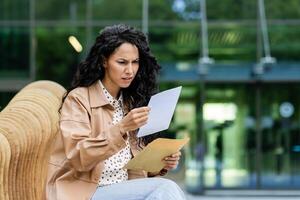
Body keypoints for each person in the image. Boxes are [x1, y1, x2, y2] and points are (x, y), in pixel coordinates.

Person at [46, 24, 186, 200]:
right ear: (104, 61)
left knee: (164, 190)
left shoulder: (130, 102)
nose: (130, 70)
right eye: (122, 62)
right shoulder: (79, 99)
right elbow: (77, 156)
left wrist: (161, 164)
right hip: (87, 192)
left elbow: (135, 167)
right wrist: (121, 128)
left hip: (124, 189)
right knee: (166, 188)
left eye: (135, 62)